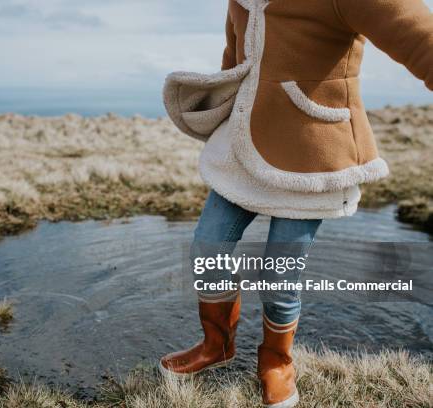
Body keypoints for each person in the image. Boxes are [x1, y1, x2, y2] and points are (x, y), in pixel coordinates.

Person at [159, 0, 432, 407]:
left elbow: (419, 37)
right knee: (207, 247)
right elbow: (235, 62)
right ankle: (216, 346)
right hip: (243, 147)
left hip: (312, 152)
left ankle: (277, 363)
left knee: (278, 275)